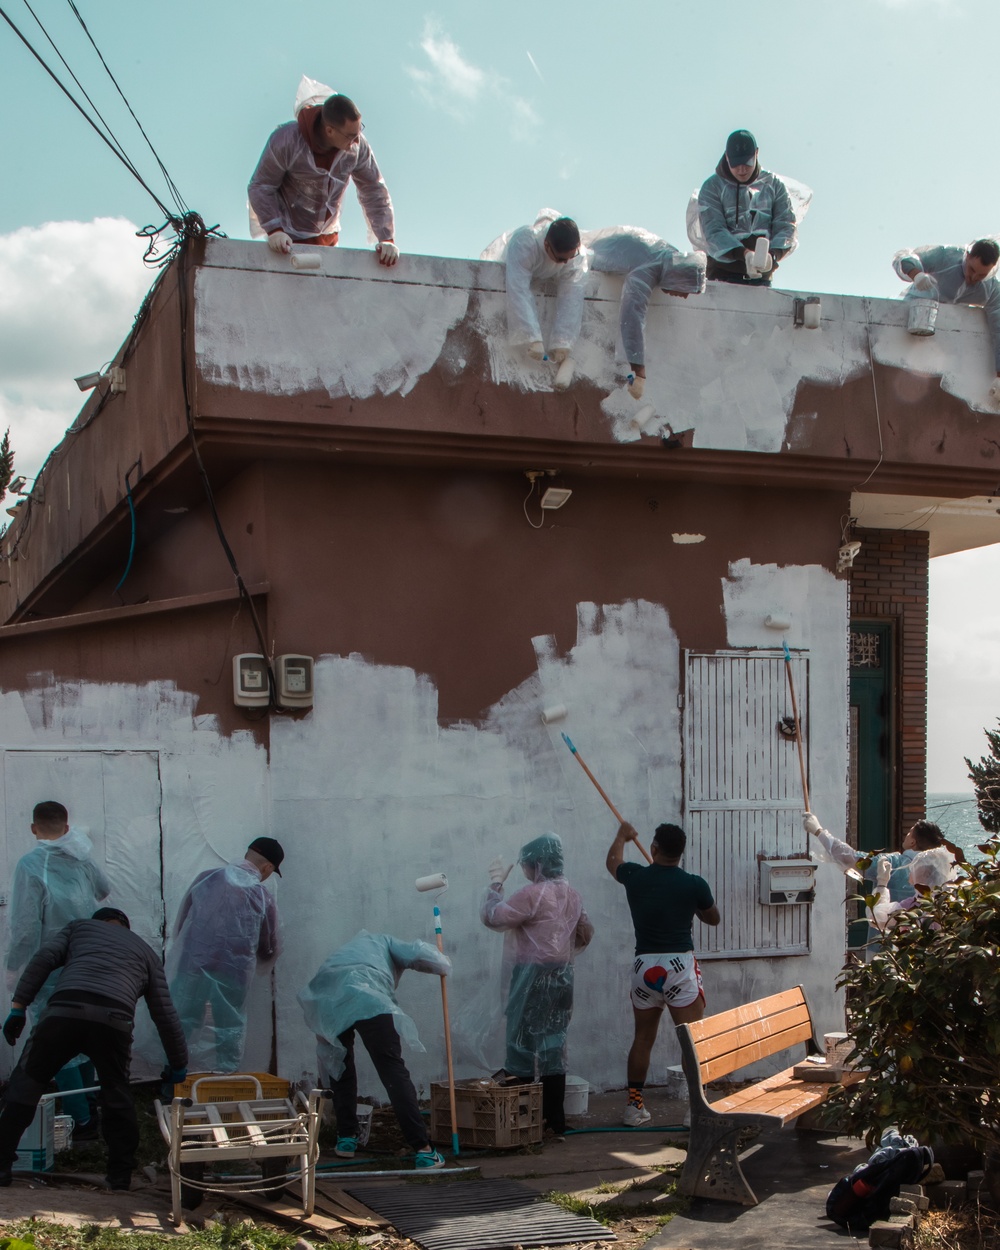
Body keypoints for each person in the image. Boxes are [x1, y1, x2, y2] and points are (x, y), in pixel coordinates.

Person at [0, 907, 187, 1190]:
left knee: (26, 1085)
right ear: (126, 927)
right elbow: (165, 1015)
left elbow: (43, 959)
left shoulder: (79, 929)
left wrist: (18, 1007)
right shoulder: (146, 952)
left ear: (96, 922)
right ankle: (120, 1176)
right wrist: (178, 1064)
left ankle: (1, 1166)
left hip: (64, 1010)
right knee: (116, 1093)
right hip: (114, 1020)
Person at [298, 930, 448, 1169]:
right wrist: (443, 965)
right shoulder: (386, 941)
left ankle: (346, 1138)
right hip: (368, 995)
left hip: (327, 997)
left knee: (339, 1064)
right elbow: (428, 957)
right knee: (391, 1069)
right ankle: (423, 1149)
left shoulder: (349, 949)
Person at [5, 800, 110, 1139]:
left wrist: (14, 967)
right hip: (88, 959)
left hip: (50, 965)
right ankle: (91, 1107)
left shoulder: (31, 865)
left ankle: (81, 1121)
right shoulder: (81, 859)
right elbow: (104, 890)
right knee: (86, 1034)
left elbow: (25, 925)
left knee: (56, 1040)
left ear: (34, 829)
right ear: (67, 828)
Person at [480, 833, 594, 1137]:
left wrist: (494, 886)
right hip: (562, 977)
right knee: (554, 1044)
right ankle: (554, 1119)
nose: (525, 871)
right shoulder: (573, 894)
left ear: (537, 864)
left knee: (520, 1043)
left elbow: (494, 917)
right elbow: (584, 932)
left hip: (531, 977)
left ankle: (521, 1118)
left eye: (527, 865)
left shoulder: (531, 895)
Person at [607, 821, 719, 1126]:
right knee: (690, 1040)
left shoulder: (635, 876)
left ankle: (634, 1106)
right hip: (679, 967)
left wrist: (622, 837)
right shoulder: (694, 884)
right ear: (680, 853)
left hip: (644, 966)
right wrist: (695, 906)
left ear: (654, 848)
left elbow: (613, 862)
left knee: (643, 1037)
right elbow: (714, 918)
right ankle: (695, 1109)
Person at [248, 79, 398, 266]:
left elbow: (374, 190)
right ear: (329, 130)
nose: (356, 141)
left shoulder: (357, 148)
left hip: (327, 239)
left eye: (359, 132)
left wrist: (386, 238)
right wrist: (274, 229)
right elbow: (261, 186)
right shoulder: (286, 141)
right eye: (350, 136)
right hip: (286, 240)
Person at [169, 837, 283, 1073]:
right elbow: (269, 945)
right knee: (228, 1031)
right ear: (267, 868)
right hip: (232, 975)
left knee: (182, 1026)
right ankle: (223, 1083)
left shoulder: (206, 879)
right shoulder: (262, 897)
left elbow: (182, 925)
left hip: (192, 966)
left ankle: (174, 1087)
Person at [583, 226, 707, 398]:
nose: (684, 296)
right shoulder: (649, 268)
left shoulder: (671, 259)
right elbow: (632, 315)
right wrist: (638, 369)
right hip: (594, 255)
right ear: (678, 277)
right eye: (686, 289)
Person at [892, 240, 1000, 397]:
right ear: (967, 256)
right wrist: (917, 275)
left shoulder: (989, 288)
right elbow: (904, 257)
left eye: (982, 275)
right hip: (915, 318)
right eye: (971, 269)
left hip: (946, 343)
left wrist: (999, 375)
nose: (973, 277)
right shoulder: (946, 257)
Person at [692, 129, 798, 286]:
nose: (742, 170)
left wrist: (772, 256)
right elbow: (713, 230)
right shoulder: (712, 187)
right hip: (722, 274)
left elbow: (786, 226)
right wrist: (744, 254)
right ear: (727, 157)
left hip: (761, 276)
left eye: (747, 163)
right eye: (736, 164)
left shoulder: (774, 184)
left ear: (756, 153)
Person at [493, 212, 589, 369]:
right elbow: (518, 288)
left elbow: (572, 296)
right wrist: (531, 336)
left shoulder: (576, 257)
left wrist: (563, 341)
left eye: (570, 257)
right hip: (510, 263)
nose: (565, 263)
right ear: (546, 245)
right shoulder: (525, 243)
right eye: (560, 259)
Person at [803, 814, 946, 901]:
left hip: (885, 942)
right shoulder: (939, 872)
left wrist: (819, 831)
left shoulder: (895, 864)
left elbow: (853, 859)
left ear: (913, 842)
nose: (907, 835)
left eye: (910, 833)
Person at [869, 847, 959, 932]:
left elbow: (876, 918)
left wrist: (882, 882)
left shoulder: (914, 904)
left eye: (915, 868)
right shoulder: (952, 901)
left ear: (925, 874)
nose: (911, 871)